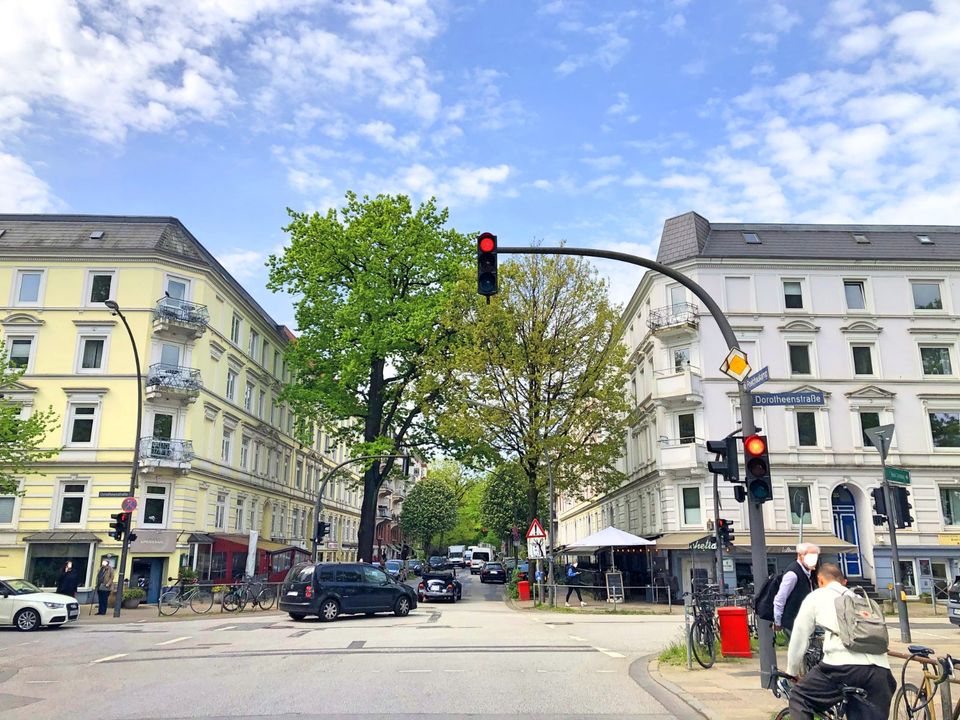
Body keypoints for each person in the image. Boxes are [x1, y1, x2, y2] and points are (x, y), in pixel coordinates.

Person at [786, 563, 895, 720]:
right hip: (881, 672)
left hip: (842, 667)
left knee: (799, 697)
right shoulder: (861, 599)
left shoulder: (817, 596)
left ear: (820, 580)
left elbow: (799, 635)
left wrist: (792, 671)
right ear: (843, 581)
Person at [774, 542, 819, 633]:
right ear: (800, 555)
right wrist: (777, 622)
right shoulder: (793, 574)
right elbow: (780, 599)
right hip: (793, 623)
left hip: (804, 622)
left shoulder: (809, 572)